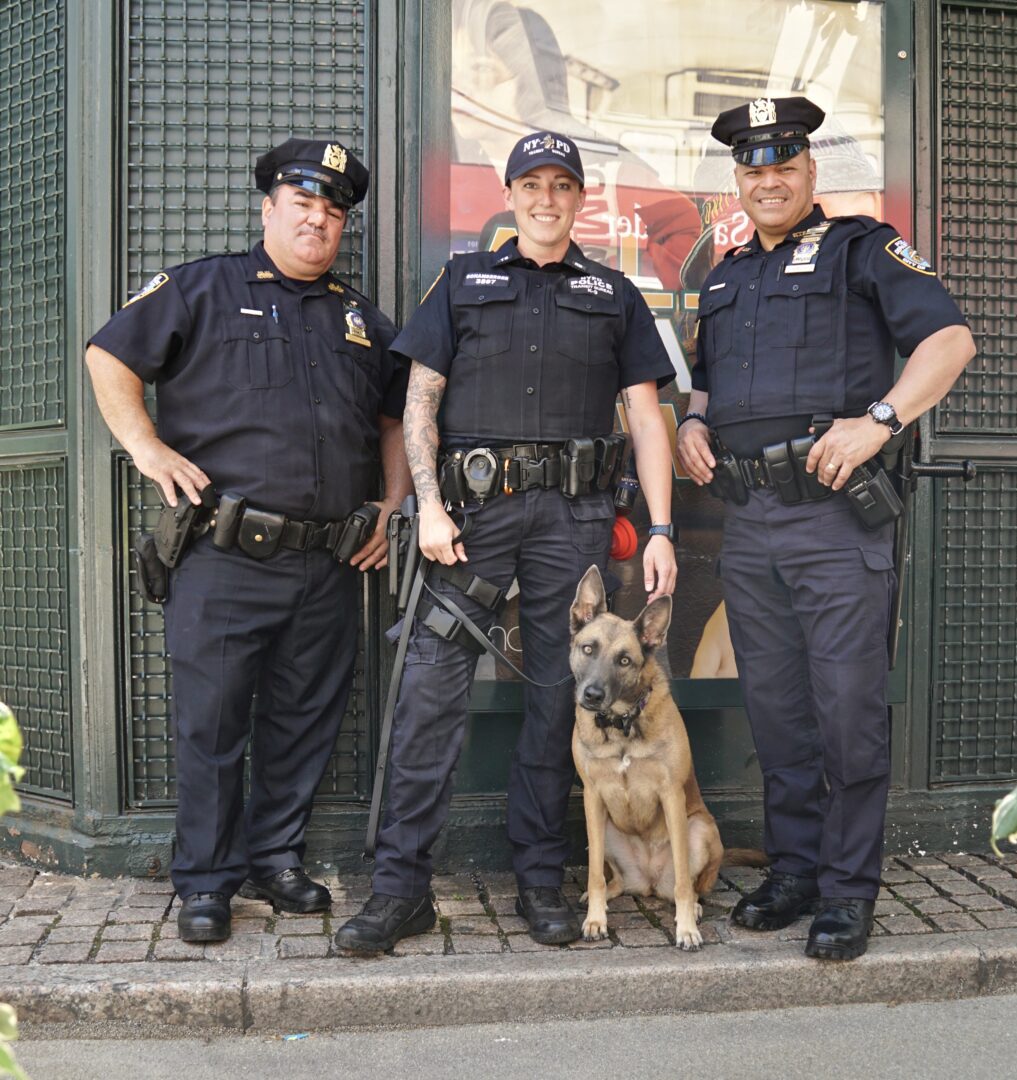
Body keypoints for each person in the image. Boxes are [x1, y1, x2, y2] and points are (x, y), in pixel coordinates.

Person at [335, 130, 678, 953]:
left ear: (580, 197)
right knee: (429, 691)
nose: (548, 198)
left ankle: (539, 879)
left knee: (561, 701)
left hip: (576, 520)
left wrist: (662, 527)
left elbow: (644, 415)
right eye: (534, 183)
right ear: (512, 191)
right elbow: (420, 400)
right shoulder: (462, 280)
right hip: (472, 522)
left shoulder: (614, 291)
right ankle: (400, 888)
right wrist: (430, 505)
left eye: (564, 185)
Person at [85, 139, 410, 943]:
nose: (318, 220)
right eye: (303, 204)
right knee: (212, 725)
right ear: (268, 208)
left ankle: (276, 859)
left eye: (333, 211)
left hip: (328, 559)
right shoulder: (203, 287)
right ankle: (205, 881)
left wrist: (393, 503)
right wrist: (146, 448)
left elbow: (398, 416)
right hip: (224, 556)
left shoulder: (361, 320)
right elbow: (108, 354)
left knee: (304, 721)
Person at [676, 98, 976, 961]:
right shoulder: (726, 274)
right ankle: (797, 869)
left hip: (835, 521)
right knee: (775, 711)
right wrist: (694, 425)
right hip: (748, 520)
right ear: (739, 179)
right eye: (752, 168)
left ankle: (849, 891)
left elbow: (949, 341)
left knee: (847, 713)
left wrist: (880, 418)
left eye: (783, 166)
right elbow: (705, 384)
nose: (767, 181)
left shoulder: (862, 248)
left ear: (809, 173)